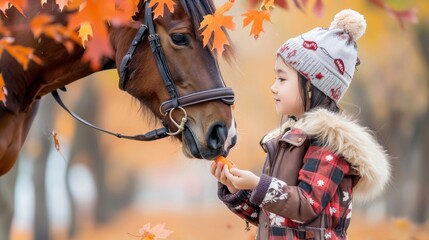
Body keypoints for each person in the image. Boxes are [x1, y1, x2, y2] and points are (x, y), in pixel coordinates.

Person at [210, 9, 390, 240]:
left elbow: (307, 205)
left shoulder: (330, 143)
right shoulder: (288, 141)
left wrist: (258, 184)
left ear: (312, 85)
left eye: (282, 79)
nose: (273, 87)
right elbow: (273, 216)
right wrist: (238, 189)